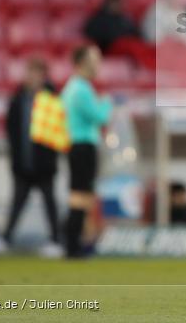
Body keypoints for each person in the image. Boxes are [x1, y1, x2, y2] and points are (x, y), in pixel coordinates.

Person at [0, 59, 62, 257]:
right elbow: (11, 130)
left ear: (43, 77)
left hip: (45, 164)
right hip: (22, 162)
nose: (31, 78)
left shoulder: (51, 100)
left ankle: (56, 240)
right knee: (17, 203)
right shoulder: (18, 100)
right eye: (29, 73)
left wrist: (52, 157)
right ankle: (6, 239)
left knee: (50, 203)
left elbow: (57, 132)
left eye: (35, 73)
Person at [61, 45, 114, 258]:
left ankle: (74, 243)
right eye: (95, 59)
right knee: (81, 195)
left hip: (77, 145)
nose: (98, 65)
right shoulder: (80, 89)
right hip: (83, 145)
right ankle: (72, 244)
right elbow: (100, 117)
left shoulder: (73, 87)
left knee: (81, 194)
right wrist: (107, 103)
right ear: (83, 62)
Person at [83, 0, 155, 69]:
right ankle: (152, 65)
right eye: (113, 3)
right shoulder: (98, 19)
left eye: (117, 3)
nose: (116, 6)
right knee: (131, 46)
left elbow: (135, 33)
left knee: (141, 46)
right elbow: (93, 34)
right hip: (111, 48)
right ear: (107, 4)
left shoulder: (124, 18)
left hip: (127, 43)